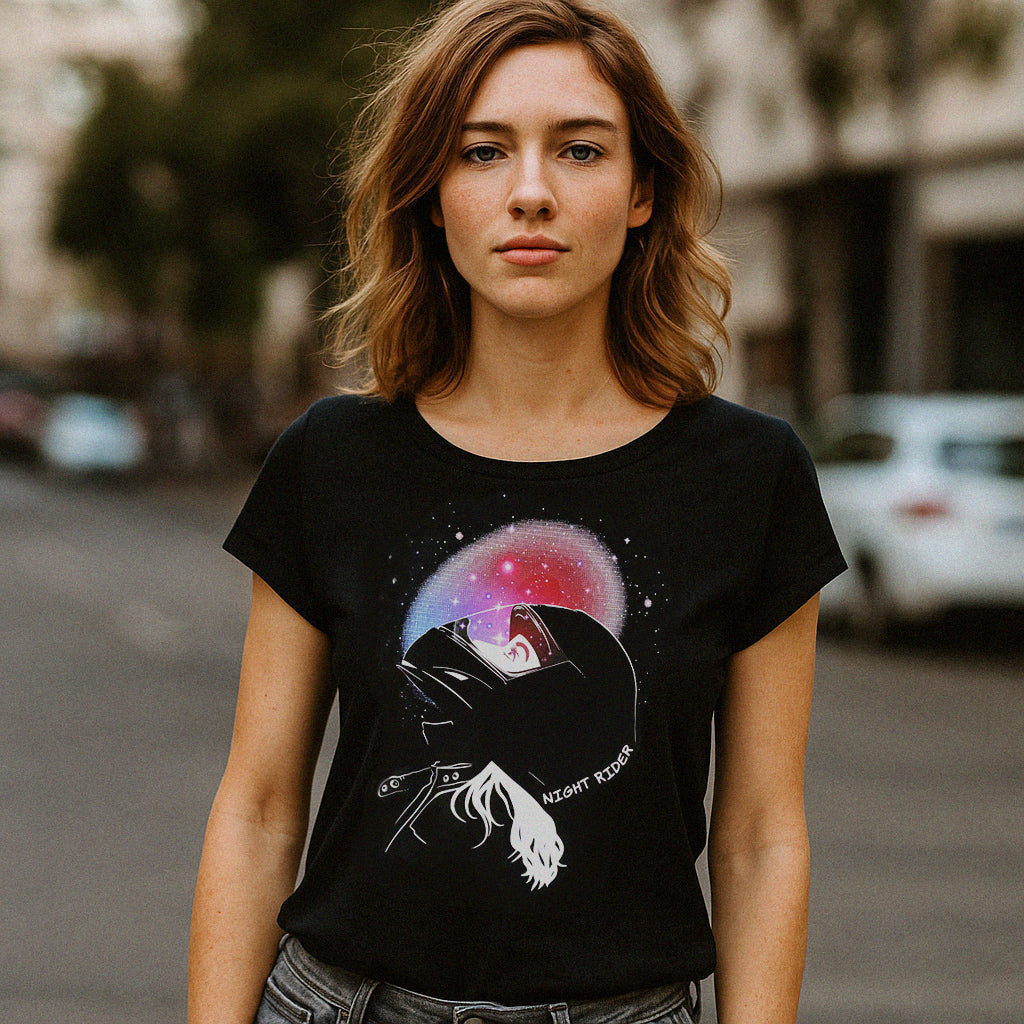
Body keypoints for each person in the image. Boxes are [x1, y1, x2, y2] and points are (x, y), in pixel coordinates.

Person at [188, 1, 847, 1023]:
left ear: (641, 191)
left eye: (580, 150)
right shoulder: (333, 458)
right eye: (482, 151)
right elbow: (261, 807)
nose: (530, 192)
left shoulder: (748, 476)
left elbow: (761, 836)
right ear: (432, 193)